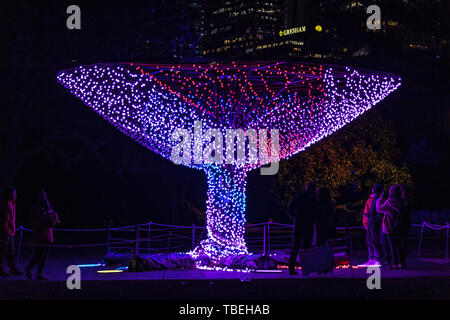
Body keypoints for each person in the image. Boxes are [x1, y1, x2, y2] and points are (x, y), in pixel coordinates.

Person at [25, 190, 59, 280]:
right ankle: (28, 268)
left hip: (47, 235)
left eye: (44, 196)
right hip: (40, 234)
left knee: (43, 255)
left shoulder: (48, 206)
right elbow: (35, 220)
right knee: (37, 254)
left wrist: (54, 219)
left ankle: (39, 273)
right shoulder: (36, 208)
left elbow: (53, 217)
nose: (43, 198)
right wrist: (45, 221)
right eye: (41, 196)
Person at [287, 182, 318, 275]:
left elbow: (289, 211)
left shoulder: (297, 198)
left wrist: (295, 218)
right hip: (308, 226)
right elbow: (317, 213)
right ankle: (306, 269)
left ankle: (291, 269)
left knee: (295, 248)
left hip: (298, 226)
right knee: (306, 248)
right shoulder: (313, 200)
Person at [376, 185, 405, 270]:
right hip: (399, 227)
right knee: (399, 245)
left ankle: (394, 263)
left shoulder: (390, 202)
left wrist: (380, 199)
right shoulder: (400, 201)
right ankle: (400, 263)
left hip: (390, 226)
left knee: (392, 246)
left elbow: (379, 209)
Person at [0, 187, 23, 277]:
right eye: (13, 193)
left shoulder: (12, 204)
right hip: (5, 232)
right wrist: (7, 230)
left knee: (11, 252)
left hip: (10, 232)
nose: (14, 195)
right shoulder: (6, 204)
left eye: (15, 193)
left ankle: (13, 269)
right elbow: (4, 220)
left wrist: (12, 230)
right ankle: (1, 270)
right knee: (2, 252)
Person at [360, 184, 385, 267]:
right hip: (371, 223)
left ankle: (377, 259)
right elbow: (370, 211)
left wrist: (372, 218)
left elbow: (380, 213)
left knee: (375, 241)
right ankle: (371, 259)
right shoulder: (372, 199)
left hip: (375, 224)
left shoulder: (380, 199)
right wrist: (366, 221)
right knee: (369, 241)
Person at [398, 185, 412, 269]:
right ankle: (402, 261)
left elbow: (406, 211)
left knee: (401, 243)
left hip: (402, 224)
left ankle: (401, 261)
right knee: (402, 243)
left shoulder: (404, 200)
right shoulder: (405, 199)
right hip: (405, 224)